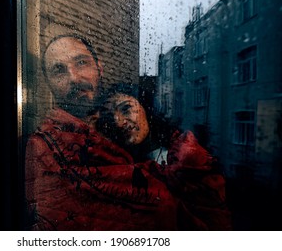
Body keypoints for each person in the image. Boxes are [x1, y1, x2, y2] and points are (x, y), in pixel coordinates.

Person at [25, 33, 231, 230]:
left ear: (99, 69)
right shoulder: (46, 144)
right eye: (59, 70)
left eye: (81, 62)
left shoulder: (160, 148)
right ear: (48, 83)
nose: (74, 78)